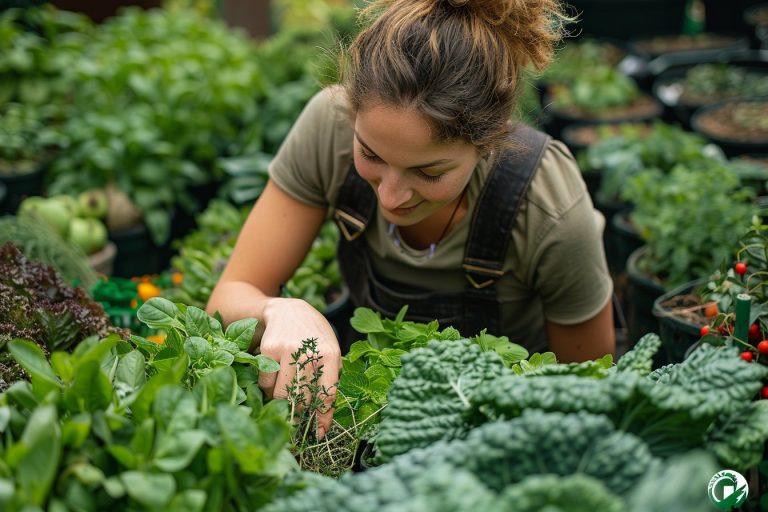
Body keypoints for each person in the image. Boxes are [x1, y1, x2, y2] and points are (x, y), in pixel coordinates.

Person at [207, 0, 615, 438]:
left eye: (429, 172)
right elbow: (227, 298)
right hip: (367, 419)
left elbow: (587, 389)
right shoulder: (329, 126)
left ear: (488, 143)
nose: (391, 196)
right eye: (370, 155)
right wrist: (278, 310)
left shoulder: (548, 203)